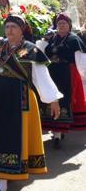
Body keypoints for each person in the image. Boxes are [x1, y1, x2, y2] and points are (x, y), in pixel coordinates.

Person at [0, 15, 62, 191]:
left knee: (10, 138)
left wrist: (53, 100)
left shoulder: (30, 50)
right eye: (7, 27)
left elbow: (41, 77)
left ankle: (3, 180)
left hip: (17, 102)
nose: (9, 30)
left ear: (22, 30)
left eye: (13, 27)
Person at [38, 13, 86, 149]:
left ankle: (58, 133)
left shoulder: (74, 39)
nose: (61, 26)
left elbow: (81, 60)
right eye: (59, 24)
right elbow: (40, 52)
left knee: (64, 101)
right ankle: (56, 130)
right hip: (51, 73)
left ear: (69, 25)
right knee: (50, 99)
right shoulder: (52, 38)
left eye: (64, 23)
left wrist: (82, 75)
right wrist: (44, 40)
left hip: (67, 74)